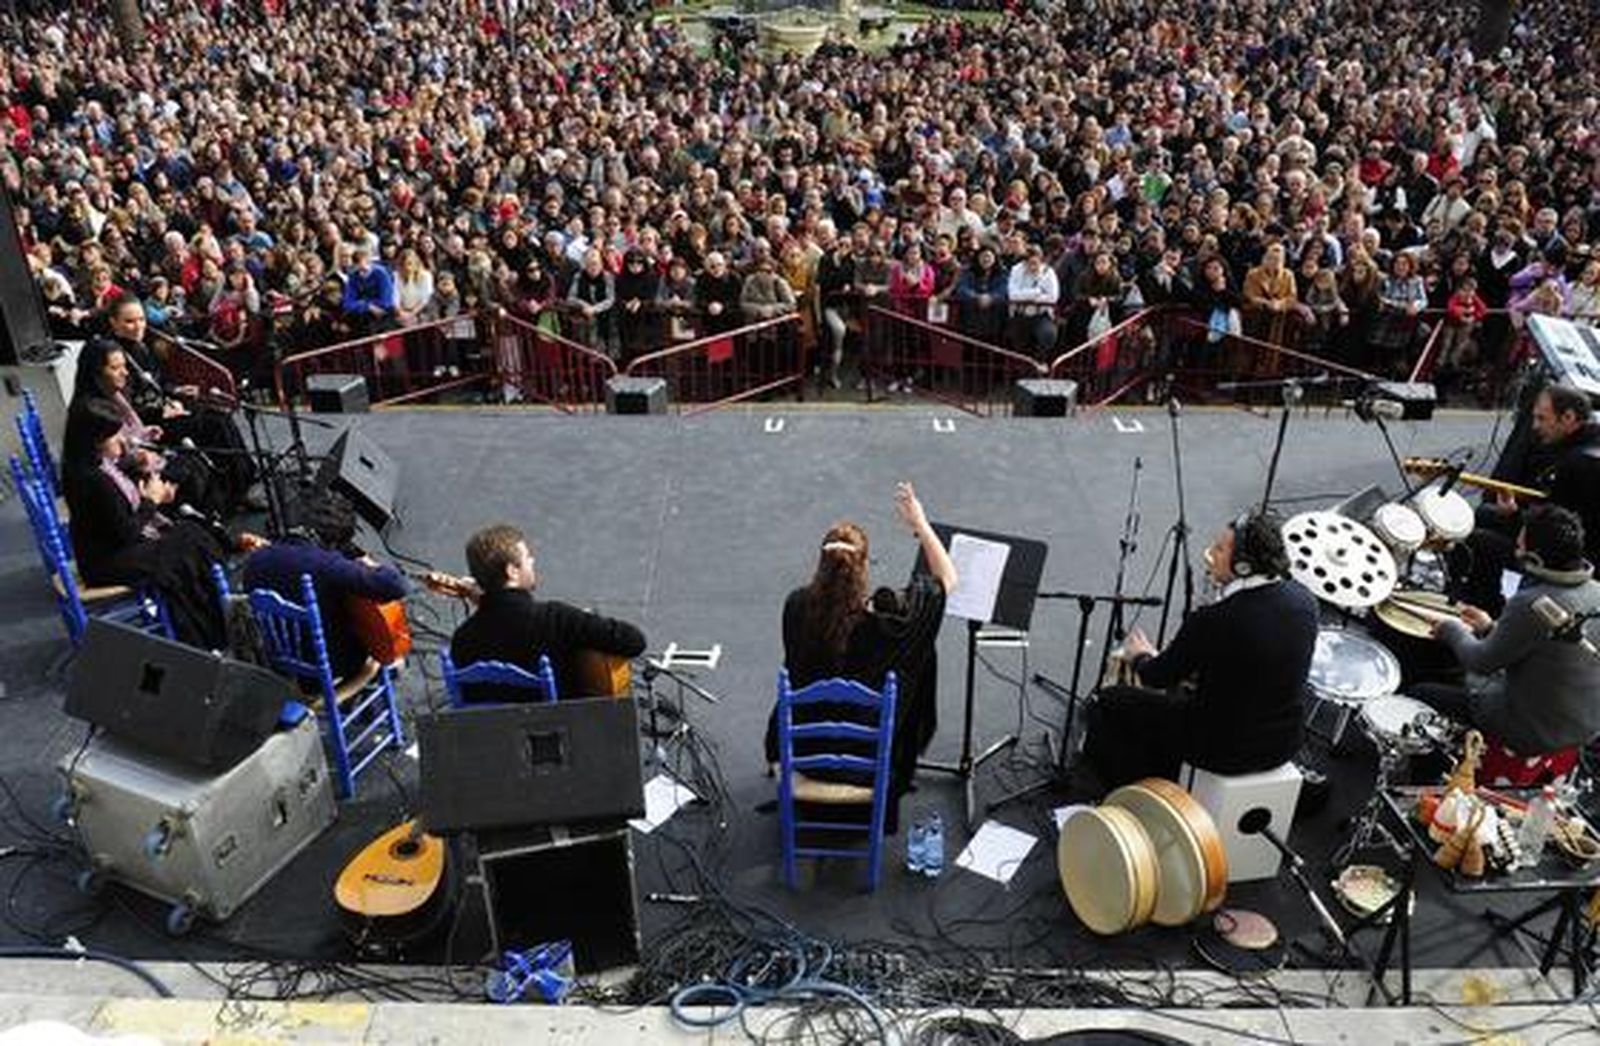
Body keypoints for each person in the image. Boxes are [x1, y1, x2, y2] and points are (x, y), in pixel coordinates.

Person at [761, 483, 958, 833]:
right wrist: (920, 524)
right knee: (923, 657)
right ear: (863, 567)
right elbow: (946, 579)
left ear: (822, 564)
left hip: (806, 753)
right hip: (867, 762)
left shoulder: (795, 607)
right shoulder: (890, 626)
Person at [1083, 511, 1317, 790]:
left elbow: (1157, 677)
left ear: (1242, 567)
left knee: (1112, 701)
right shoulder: (1305, 602)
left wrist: (1141, 656)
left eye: (1219, 549)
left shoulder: (1215, 619)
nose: (1212, 554)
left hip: (1222, 748)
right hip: (1283, 741)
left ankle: (1129, 794)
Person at [1417, 505, 1600, 755]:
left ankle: (1438, 771)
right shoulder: (1596, 591)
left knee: (1422, 692)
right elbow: (1546, 649)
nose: (1516, 551)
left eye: (1520, 547)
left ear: (1535, 559)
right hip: (1583, 723)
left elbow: (1481, 662)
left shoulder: (1534, 602)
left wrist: (1453, 629)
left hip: (1533, 730)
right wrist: (1491, 626)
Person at [59, 399, 227, 648]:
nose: (122, 441)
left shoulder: (84, 465)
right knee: (188, 548)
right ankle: (207, 625)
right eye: (114, 436)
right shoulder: (95, 480)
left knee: (191, 534)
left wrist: (137, 472)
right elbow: (127, 532)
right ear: (94, 441)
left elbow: (117, 512)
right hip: (107, 562)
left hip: (107, 548)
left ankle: (217, 611)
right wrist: (152, 500)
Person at [449, 523, 646, 703]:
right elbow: (634, 641)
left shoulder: (461, 640)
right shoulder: (556, 619)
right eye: (527, 558)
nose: (532, 561)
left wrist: (486, 603)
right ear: (512, 571)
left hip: (496, 737)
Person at [241, 496, 408, 683]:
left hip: (275, 658)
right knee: (383, 653)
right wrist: (368, 564)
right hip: (324, 664)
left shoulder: (256, 559)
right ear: (335, 543)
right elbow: (396, 585)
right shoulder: (329, 566)